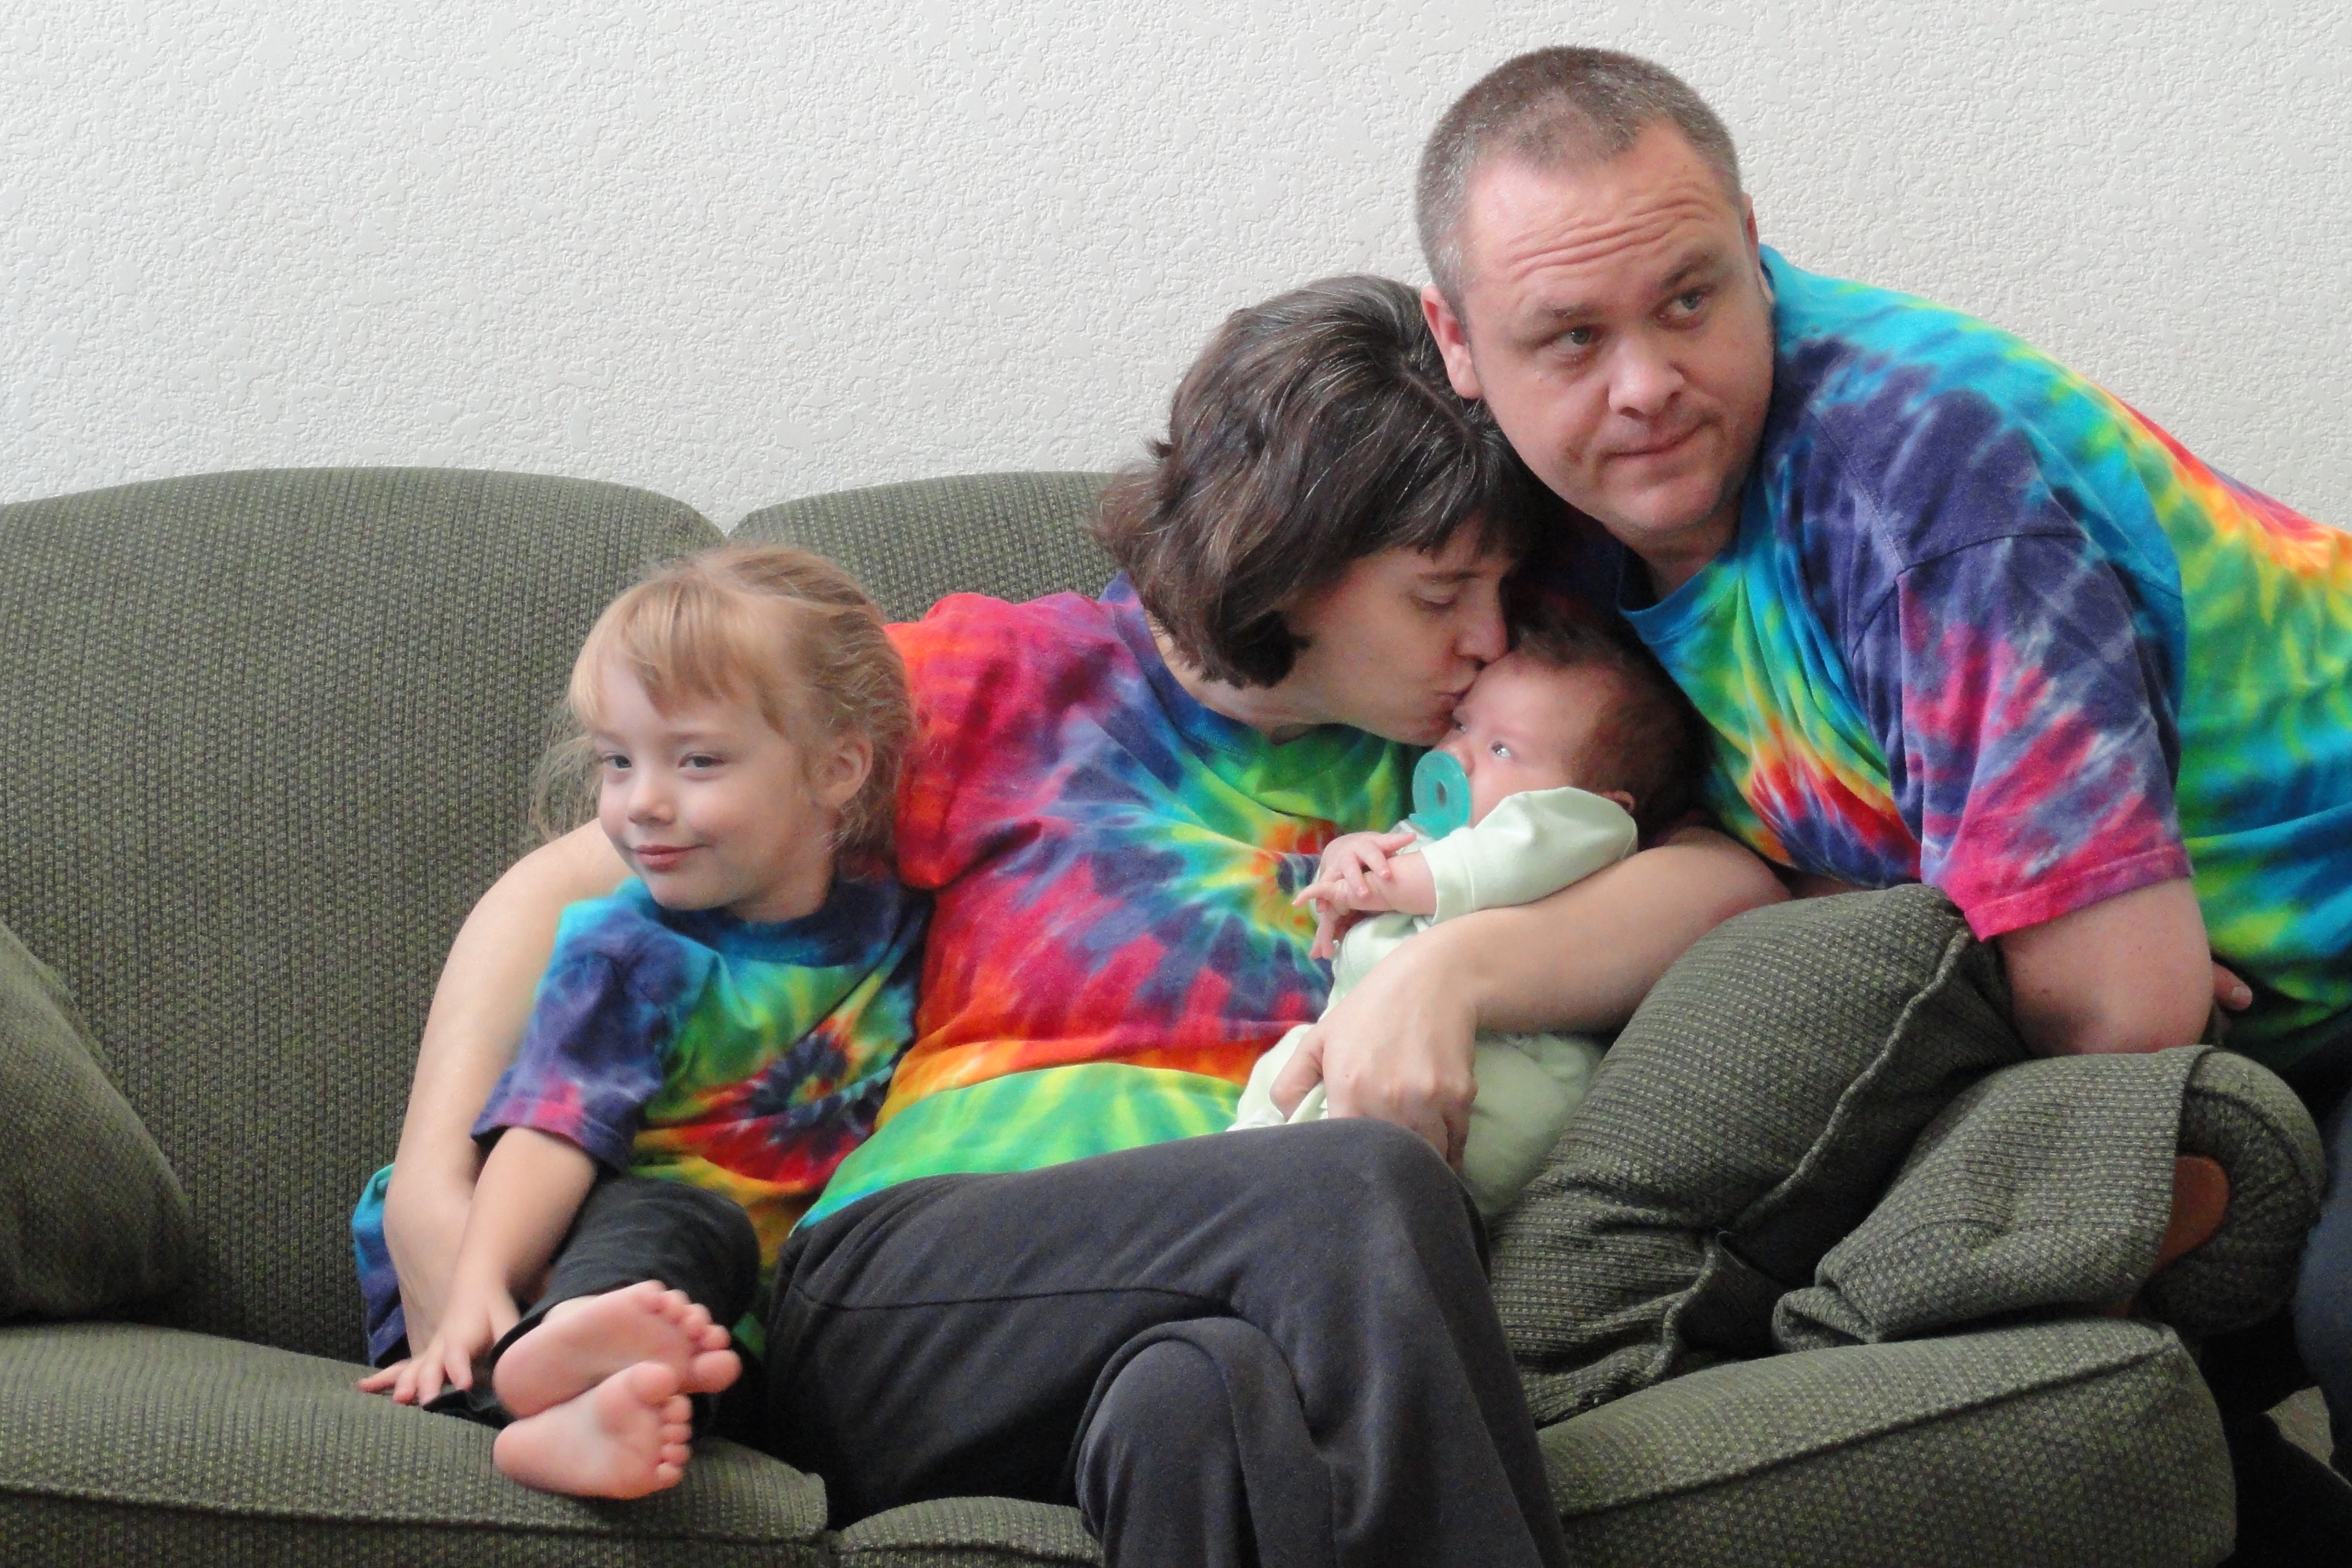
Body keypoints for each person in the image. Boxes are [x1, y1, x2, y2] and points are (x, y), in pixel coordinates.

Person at [372, 273, 1784, 1564]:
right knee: (1358, 1182)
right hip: (922, 1292)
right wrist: (440, 1184)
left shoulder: (1484, 744)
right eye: (1439, 594)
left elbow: (1723, 885)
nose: (1486, 634)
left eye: (1496, 590)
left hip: (1231, 1329)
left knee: (1200, 1410)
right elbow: (561, 884)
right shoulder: (1009, 685)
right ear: (1286, 559)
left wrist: (1454, 972)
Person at [1409, 43, 2352, 1550]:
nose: (1645, 384)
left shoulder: (1925, 478)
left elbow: (2119, 1004)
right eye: (1570, 337)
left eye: (1690, 298)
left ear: (1751, 241)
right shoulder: (1538, 528)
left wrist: (2005, 926)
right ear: (1457, 339)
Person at [352, 544, 926, 1500]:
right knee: (684, 1220)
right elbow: (550, 1131)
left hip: (725, 1318)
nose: (642, 802)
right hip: (566, 1242)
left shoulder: (901, 923)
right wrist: (478, 1280)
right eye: (616, 762)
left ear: (837, 769)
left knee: (721, 1345)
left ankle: (604, 1411)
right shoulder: (631, 950)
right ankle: (551, 1371)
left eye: (696, 760)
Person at [1233, 610, 1698, 1217]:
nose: (1458, 755)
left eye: (1502, 748)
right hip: (1358, 1048)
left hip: (1506, 1074)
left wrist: (1389, 883)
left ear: (1604, 802)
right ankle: (1243, 1161)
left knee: (1403, 1157)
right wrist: (1349, 859)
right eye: (1460, 725)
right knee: (1282, 1074)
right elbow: (1408, 875)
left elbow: (1503, 859)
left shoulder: (1584, 830)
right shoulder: (1429, 841)